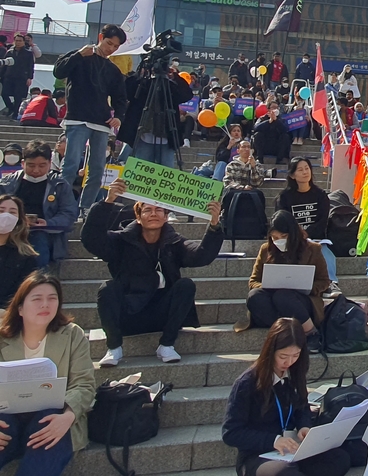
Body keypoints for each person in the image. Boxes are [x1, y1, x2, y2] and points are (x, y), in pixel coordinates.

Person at [83, 178, 223, 367]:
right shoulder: (121, 241)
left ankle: (166, 345)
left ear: (166, 216)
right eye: (147, 210)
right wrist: (107, 202)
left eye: (159, 210)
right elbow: (92, 240)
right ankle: (114, 348)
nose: (153, 214)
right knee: (107, 288)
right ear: (138, 217)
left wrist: (214, 225)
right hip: (128, 314)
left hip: (162, 314)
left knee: (185, 285)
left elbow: (201, 256)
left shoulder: (175, 243)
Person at [223, 317, 360, 476]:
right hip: (257, 455)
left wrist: (304, 426)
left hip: (293, 448)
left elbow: (302, 406)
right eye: (283, 356)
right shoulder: (247, 383)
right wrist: (274, 440)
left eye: (295, 355)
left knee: (339, 459)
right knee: (285, 472)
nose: (289, 361)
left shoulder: (295, 373)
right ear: (270, 350)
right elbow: (231, 433)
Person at [0, 272, 96, 475]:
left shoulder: (72, 334)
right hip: (7, 415)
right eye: (37, 299)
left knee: (49, 432)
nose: (45, 304)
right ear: (20, 308)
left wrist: (68, 416)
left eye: (52, 298)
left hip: (55, 416)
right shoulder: (2, 336)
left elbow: (84, 384)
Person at [53, 24, 128, 211]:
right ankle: (61, 205)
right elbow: (59, 72)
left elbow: (120, 97)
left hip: (102, 122)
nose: (111, 49)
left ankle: (85, 207)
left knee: (97, 169)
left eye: (115, 47)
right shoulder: (80, 55)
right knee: (70, 165)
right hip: (77, 118)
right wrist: (79, 55)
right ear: (101, 37)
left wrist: (118, 116)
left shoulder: (113, 69)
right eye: (109, 43)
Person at [247, 212, 329, 352]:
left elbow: (324, 281)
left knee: (284, 296)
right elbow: (253, 281)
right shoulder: (266, 249)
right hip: (272, 300)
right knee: (255, 296)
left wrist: (307, 286)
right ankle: (285, 333)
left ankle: (311, 333)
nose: (278, 241)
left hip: (301, 301)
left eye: (284, 236)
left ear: (293, 233)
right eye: (274, 237)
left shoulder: (313, 249)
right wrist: (268, 286)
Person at [0, 141, 77, 270]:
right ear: (23, 163)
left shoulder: (60, 186)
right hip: (9, 230)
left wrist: (47, 223)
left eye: (42, 165)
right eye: (31, 165)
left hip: (42, 232)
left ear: (49, 163)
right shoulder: (6, 183)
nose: (36, 170)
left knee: (38, 244)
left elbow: (69, 214)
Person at [275, 157, 335, 281]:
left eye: (307, 168)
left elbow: (323, 220)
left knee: (325, 253)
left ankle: (331, 282)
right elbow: (282, 220)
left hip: (316, 239)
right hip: (291, 238)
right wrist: (297, 234)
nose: (305, 172)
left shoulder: (321, 195)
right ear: (292, 175)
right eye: (300, 170)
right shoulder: (284, 197)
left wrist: (307, 233)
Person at [0, 196, 38, 309]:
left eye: (12, 212)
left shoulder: (25, 257)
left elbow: (23, 292)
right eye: (1, 211)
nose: (6, 215)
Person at [2, 34, 35, 119]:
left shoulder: (28, 53)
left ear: (23, 42)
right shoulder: (10, 52)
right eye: (16, 41)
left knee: (18, 96)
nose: (18, 43)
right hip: (9, 76)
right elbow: (4, 65)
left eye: (20, 41)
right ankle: (11, 108)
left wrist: (29, 77)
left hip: (21, 77)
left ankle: (15, 113)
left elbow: (30, 66)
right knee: (4, 94)